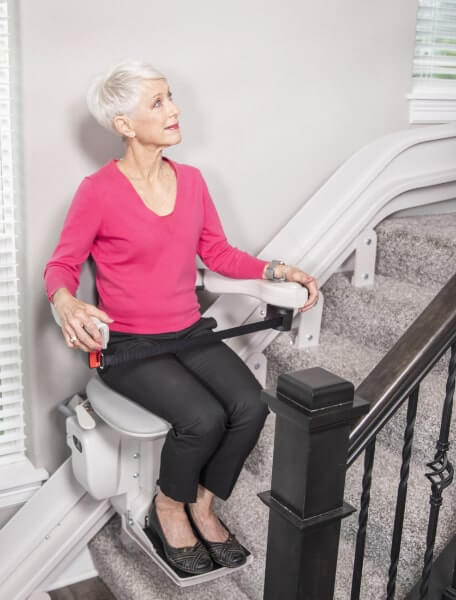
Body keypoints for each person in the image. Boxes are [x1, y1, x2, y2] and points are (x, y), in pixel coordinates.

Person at [44, 60, 319, 576]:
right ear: (125, 125)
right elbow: (61, 264)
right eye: (158, 103)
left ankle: (203, 505)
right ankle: (167, 508)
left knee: (249, 406)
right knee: (202, 418)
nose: (174, 110)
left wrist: (277, 268)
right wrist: (64, 299)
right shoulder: (98, 191)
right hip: (128, 346)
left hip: (189, 333)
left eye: (170, 97)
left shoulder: (191, 181)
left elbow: (217, 252)